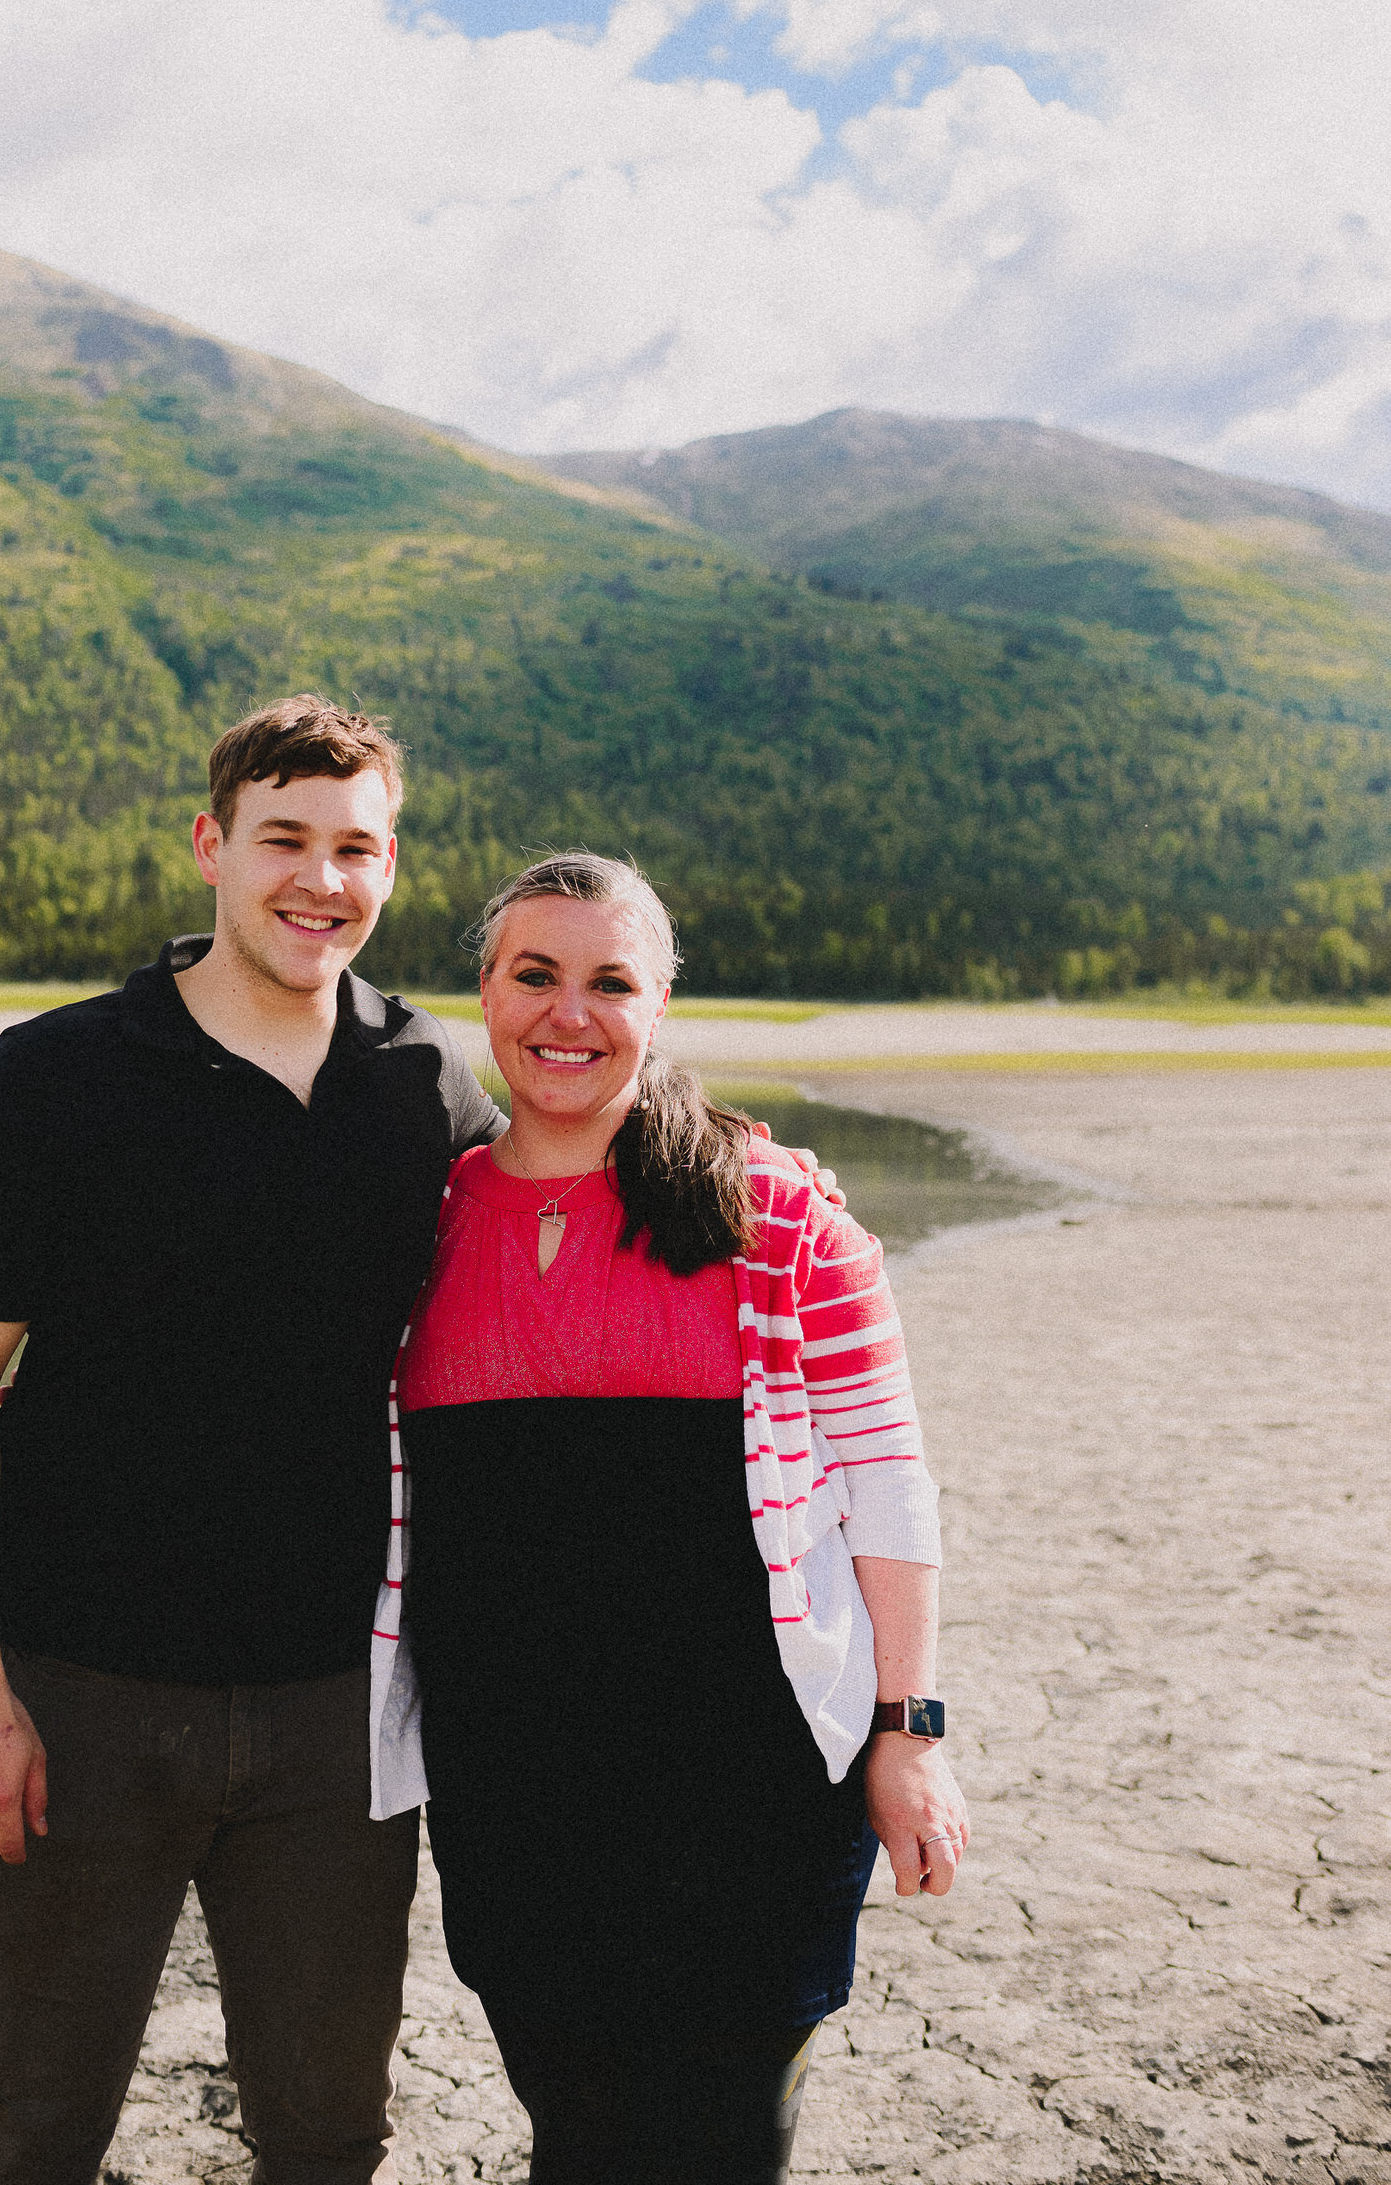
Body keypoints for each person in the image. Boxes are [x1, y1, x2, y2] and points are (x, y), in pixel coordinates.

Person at [0, 695, 508, 2185]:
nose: (320, 880)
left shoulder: (426, 1086)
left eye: (353, 848)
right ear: (210, 848)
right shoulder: (54, 1078)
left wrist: (743, 1166)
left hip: (338, 1717)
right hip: (79, 1697)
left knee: (325, 2131)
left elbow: (573, 1220)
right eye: (283, 840)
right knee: (31, 2127)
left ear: (390, 863)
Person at [369, 853, 968, 2185]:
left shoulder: (780, 1220)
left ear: (658, 1007)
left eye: (609, 983)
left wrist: (906, 1734)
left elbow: (888, 1486)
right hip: (513, 1793)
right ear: (485, 988)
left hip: (750, 1798)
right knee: (574, 2132)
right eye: (534, 975)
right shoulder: (417, 1224)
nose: (565, 1014)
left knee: (721, 2143)